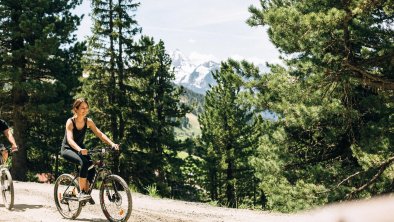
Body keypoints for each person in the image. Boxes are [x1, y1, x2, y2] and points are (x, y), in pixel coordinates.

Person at [61, 98, 119, 202]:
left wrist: (112, 143)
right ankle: (83, 192)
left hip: (80, 149)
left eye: (87, 108)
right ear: (76, 109)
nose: (85, 110)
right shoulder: (70, 122)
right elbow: (69, 140)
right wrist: (79, 149)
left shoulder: (88, 121)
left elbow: (100, 134)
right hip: (68, 149)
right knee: (84, 162)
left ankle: (80, 191)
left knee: (91, 168)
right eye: (82, 108)